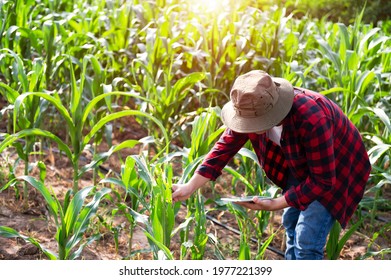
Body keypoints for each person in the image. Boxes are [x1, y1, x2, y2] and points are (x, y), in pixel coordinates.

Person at [171, 70, 371, 260]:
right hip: (300, 161)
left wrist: (277, 203)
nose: (250, 128)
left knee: (307, 240)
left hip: (338, 166)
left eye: (256, 123)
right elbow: (224, 148)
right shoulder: (251, 106)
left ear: (275, 111)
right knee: (291, 222)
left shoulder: (311, 118)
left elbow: (323, 180)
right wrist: (189, 186)